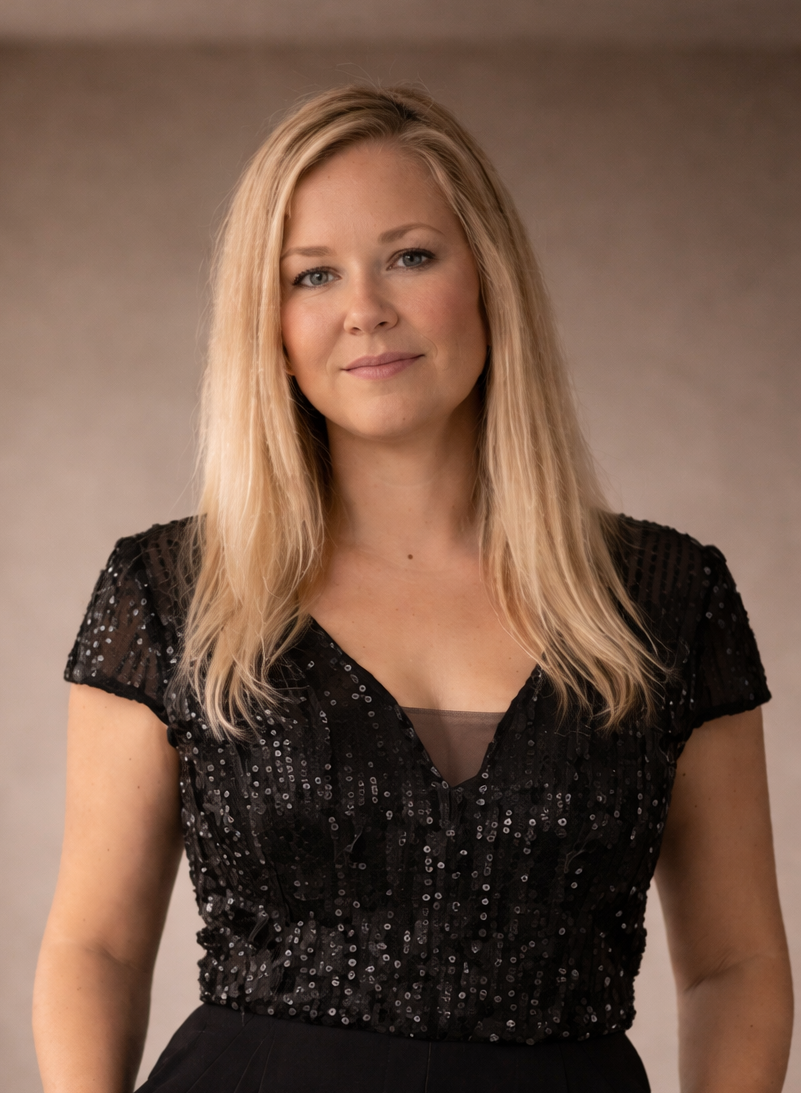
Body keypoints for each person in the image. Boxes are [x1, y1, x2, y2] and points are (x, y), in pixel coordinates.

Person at [33, 85, 792, 1093]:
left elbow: (737, 962)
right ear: (270, 326)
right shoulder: (171, 591)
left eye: (411, 256)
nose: (366, 309)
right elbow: (95, 947)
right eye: (312, 274)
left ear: (489, 281)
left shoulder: (665, 597)